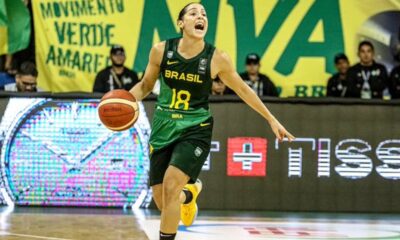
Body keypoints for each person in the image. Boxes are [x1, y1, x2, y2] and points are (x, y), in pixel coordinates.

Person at [129, 3, 295, 240]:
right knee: (163, 201)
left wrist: (271, 119)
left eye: (204, 14)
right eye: (194, 13)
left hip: (195, 127)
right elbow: (145, 86)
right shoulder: (160, 51)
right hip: (164, 126)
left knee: (171, 186)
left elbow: (243, 90)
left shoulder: (217, 58)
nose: (201, 17)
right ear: (181, 23)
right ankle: (191, 192)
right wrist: (124, 101)